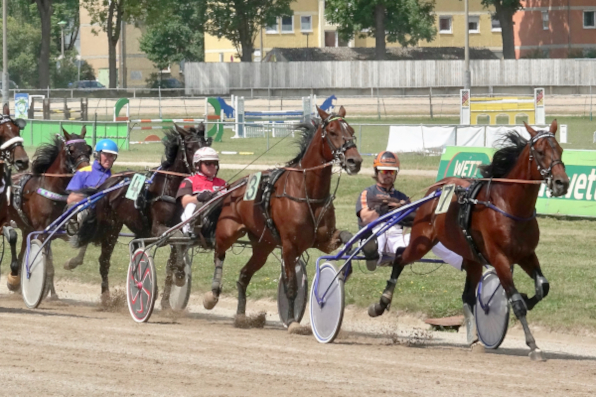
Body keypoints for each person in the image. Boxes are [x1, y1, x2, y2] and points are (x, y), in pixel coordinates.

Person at [356, 151, 463, 271]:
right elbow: (365, 217)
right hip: (373, 234)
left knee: (431, 238)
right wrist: (384, 209)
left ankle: (462, 263)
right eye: (384, 171)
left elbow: (416, 221)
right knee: (375, 239)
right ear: (377, 171)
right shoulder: (368, 193)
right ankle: (373, 255)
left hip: (396, 239)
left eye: (391, 172)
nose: (388, 175)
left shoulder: (402, 197)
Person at [65, 139, 118, 236]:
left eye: (112, 156)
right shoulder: (83, 172)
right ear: (97, 155)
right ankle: (74, 223)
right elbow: (71, 197)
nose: (109, 159)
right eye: (106, 155)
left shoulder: (114, 177)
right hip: (86, 212)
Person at [176, 146, 226, 235]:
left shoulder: (222, 182)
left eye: (214, 163)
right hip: (201, 218)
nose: (212, 166)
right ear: (198, 165)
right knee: (190, 205)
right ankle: (189, 230)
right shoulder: (189, 181)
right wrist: (199, 197)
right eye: (208, 163)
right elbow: (184, 202)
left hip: (220, 217)